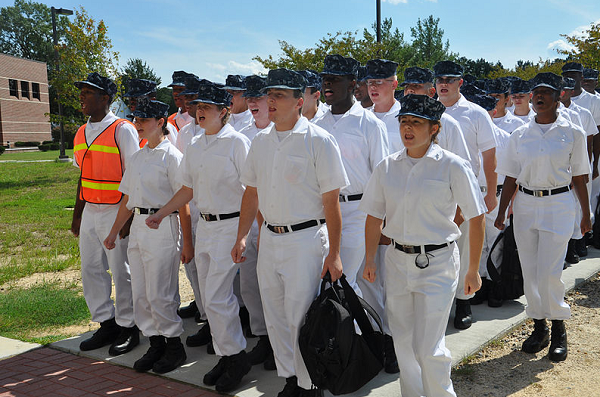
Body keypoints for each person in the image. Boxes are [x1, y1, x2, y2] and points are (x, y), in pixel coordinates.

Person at [231, 68, 349, 397]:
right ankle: (289, 379)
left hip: (305, 239)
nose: (271, 100)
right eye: (270, 94)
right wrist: (242, 236)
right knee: (276, 314)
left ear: (299, 102)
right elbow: (251, 193)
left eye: (279, 95)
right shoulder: (261, 141)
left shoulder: (319, 140)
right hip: (269, 238)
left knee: (301, 316)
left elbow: (332, 202)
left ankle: (309, 384)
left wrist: (334, 253)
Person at [361, 94, 486, 397]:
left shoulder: (453, 166)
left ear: (434, 128)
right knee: (403, 343)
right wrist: (369, 260)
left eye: (416, 122)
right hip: (397, 261)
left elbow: (476, 216)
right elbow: (374, 216)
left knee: (430, 347)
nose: (408, 128)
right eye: (404, 121)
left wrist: (472, 270)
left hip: (438, 263)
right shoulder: (387, 167)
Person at [147, 80, 252, 393]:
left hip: (230, 226)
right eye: (197, 107)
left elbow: (251, 192)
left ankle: (237, 358)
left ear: (224, 110)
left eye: (206, 107)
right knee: (209, 299)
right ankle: (226, 354)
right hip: (205, 227)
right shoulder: (195, 144)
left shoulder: (237, 143)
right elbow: (188, 189)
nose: (198, 111)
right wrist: (162, 212)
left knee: (219, 296)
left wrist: (243, 235)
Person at [495, 72, 591, 362]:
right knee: (530, 270)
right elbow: (510, 176)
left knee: (550, 272)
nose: (539, 96)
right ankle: (539, 327)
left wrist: (586, 214)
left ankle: (559, 327)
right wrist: (502, 211)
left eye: (546, 92)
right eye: (535, 91)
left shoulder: (572, 133)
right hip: (525, 204)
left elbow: (580, 176)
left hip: (558, 204)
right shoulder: (520, 135)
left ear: (559, 95)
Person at [315, 54, 394, 373]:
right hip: (323, 211)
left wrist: (385, 220)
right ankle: (358, 344)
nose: (328, 83)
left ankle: (375, 344)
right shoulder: (316, 125)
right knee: (347, 282)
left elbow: (383, 175)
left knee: (352, 279)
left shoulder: (369, 124)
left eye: (336, 78)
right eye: (325, 78)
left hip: (361, 210)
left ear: (353, 84)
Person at [103, 97, 193, 373]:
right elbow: (127, 199)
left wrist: (186, 241)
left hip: (162, 226)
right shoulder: (138, 157)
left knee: (160, 292)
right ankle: (156, 343)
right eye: (136, 119)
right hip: (140, 226)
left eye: (143, 120)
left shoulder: (172, 157)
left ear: (160, 122)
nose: (137, 124)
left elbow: (184, 199)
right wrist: (113, 231)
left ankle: (174, 346)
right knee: (140, 291)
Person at [71, 72, 139, 355]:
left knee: (121, 271)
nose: (83, 97)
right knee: (91, 269)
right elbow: (81, 176)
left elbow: (135, 177)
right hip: (91, 211)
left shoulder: (122, 129)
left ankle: (129, 326)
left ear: (106, 98)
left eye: (89, 92)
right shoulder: (80, 132)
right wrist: (77, 215)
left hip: (116, 210)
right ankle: (106, 323)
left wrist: (128, 219)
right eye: (83, 91)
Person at [433, 60, 497, 329]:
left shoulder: (476, 113)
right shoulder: (426, 111)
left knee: (464, 247)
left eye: (449, 79)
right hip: (432, 192)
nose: (443, 84)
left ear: (460, 82)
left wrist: (491, 193)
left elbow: (489, 157)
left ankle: (463, 302)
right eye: (439, 79)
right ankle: (439, 305)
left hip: (464, 190)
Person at [237, 74, 276, 370]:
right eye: (248, 97)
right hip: (250, 220)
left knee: (278, 287)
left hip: (278, 222)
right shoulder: (242, 133)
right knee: (251, 284)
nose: (252, 101)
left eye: (258, 96)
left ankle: (283, 345)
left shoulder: (282, 131)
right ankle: (264, 338)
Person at [173, 75, 208, 328]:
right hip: (190, 206)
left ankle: (212, 319)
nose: (187, 103)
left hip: (212, 208)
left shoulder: (215, 130)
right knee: (192, 265)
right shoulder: (184, 133)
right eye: (185, 99)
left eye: (192, 99)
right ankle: (202, 308)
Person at [365, 59, 402, 152]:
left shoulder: (406, 118)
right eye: (370, 82)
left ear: (394, 84)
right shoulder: (363, 118)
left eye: (378, 81)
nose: (373, 86)